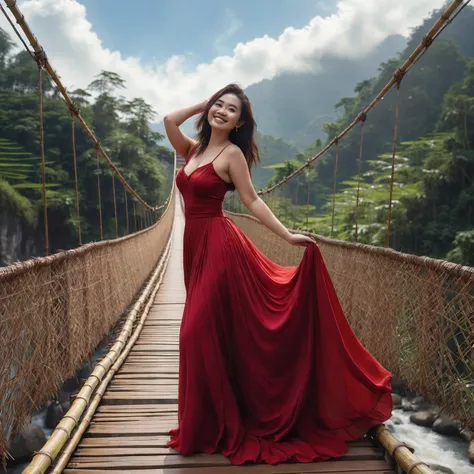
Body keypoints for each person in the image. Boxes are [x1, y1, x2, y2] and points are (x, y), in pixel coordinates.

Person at [164, 83, 392, 465]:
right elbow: (169, 119)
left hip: (219, 246)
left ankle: (211, 424)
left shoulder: (232, 154)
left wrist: (287, 235)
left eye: (231, 109)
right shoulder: (192, 150)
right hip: (193, 248)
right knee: (210, 334)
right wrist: (206, 103)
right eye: (218, 105)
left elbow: (251, 199)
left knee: (193, 332)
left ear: (240, 122)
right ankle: (207, 424)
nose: (222, 112)